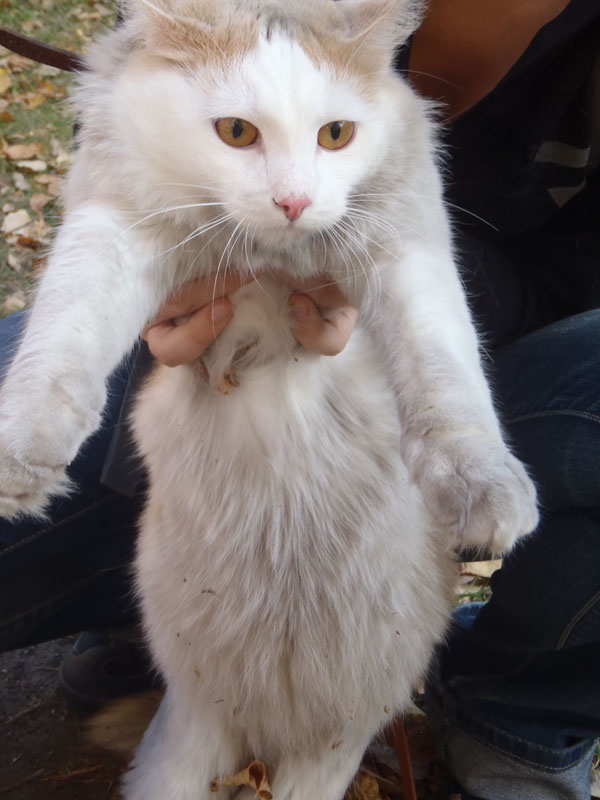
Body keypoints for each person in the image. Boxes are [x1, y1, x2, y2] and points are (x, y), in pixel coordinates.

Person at [0, 0, 598, 798]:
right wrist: (61, 382)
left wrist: (443, 413)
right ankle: (157, 643)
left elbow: (429, 263)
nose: (293, 196)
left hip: (493, 362)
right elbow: (116, 185)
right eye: (240, 132)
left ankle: (514, 715)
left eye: (336, 134)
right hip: (197, 369)